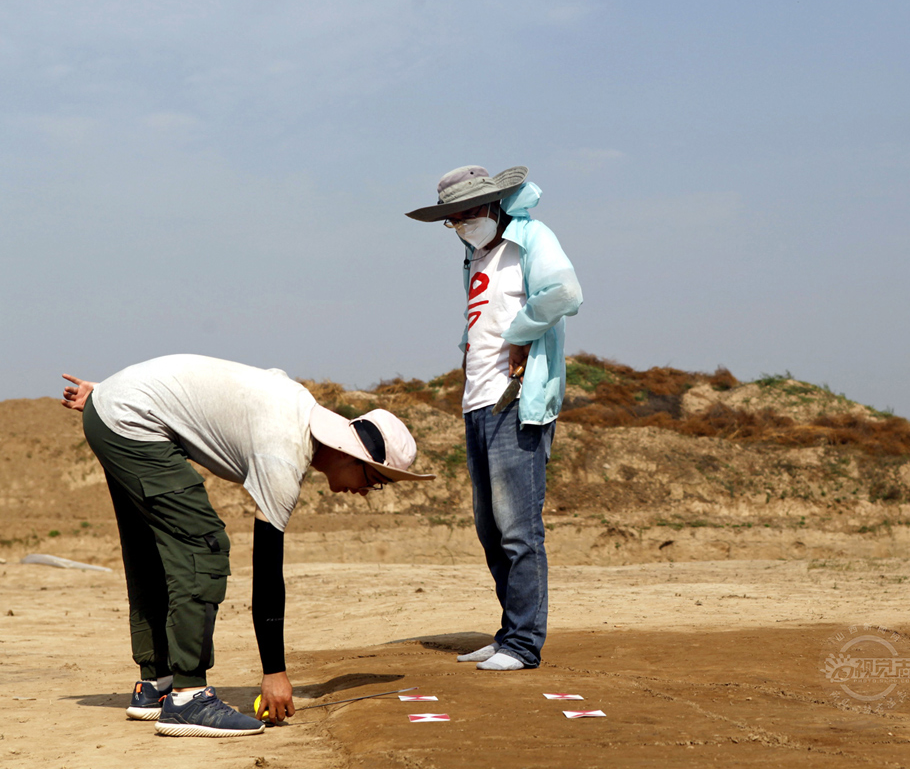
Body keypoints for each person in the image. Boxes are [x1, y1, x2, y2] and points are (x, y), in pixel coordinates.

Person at [60, 354, 433, 737]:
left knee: (154, 550)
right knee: (202, 545)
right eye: (375, 478)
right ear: (349, 454)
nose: (369, 490)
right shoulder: (283, 454)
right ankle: (189, 699)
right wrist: (274, 674)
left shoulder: (298, 407)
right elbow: (267, 572)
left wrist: (107, 394)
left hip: (110, 411)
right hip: (129, 421)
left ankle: (157, 685)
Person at [406, 165, 582, 670]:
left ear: (492, 204)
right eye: (451, 219)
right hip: (477, 402)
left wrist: (522, 335)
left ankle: (524, 645)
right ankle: (509, 632)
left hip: (516, 401)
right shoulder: (476, 256)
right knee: (490, 528)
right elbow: (481, 323)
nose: (459, 224)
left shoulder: (530, 239)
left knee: (518, 529)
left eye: (463, 214)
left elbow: (566, 293)